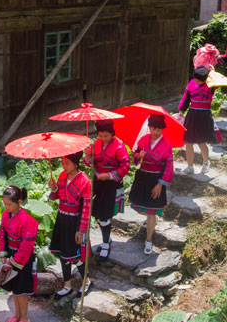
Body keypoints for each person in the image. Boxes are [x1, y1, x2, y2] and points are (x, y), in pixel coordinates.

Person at [83, 119, 130, 262]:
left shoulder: (119, 147)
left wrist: (109, 175)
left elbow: (125, 166)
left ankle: (105, 244)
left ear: (112, 134)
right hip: (98, 183)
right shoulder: (96, 144)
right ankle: (106, 239)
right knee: (96, 212)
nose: (103, 139)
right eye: (100, 135)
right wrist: (88, 156)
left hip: (111, 184)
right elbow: (91, 164)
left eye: (106, 136)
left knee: (105, 214)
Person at [48, 151, 92, 300]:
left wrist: (81, 230)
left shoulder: (85, 182)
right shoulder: (61, 177)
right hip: (62, 219)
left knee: (78, 255)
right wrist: (54, 189)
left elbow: (86, 208)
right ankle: (67, 285)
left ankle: (86, 281)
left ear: (75, 163)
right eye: (62, 162)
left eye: (67, 163)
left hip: (75, 222)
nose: (64, 166)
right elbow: (58, 196)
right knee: (63, 253)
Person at [129, 113, 174, 255]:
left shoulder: (166, 145)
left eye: (159, 130)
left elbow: (169, 167)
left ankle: (149, 239)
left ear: (162, 130)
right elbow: (135, 159)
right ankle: (151, 223)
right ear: (149, 127)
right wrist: (138, 156)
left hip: (156, 180)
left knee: (151, 211)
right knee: (143, 209)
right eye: (153, 129)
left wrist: (160, 184)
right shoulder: (143, 140)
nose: (155, 132)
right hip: (142, 177)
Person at [0, 185, 39, 322]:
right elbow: (2, 234)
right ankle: (17, 314)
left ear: (19, 201)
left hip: (22, 259)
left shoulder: (28, 221)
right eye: (5, 204)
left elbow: (27, 246)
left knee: (21, 291)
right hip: (9, 254)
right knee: (14, 290)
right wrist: (3, 255)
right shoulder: (5, 216)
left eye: (10, 204)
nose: (7, 207)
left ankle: (25, 318)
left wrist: (13, 262)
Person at [177, 66, 218, 175]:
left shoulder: (211, 84)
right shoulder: (191, 84)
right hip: (192, 115)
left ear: (205, 79)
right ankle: (190, 166)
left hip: (204, 116)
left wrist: (213, 72)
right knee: (188, 142)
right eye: (195, 78)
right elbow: (186, 98)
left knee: (201, 142)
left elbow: (216, 80)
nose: (196, 81)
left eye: (199, 79)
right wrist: (182, 111)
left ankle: (206, 162)